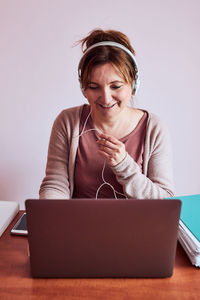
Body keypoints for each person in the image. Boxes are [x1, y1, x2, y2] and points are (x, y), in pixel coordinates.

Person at [39, 29, 174, 200]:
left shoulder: (154, 128)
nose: (106, 98)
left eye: (116, 86)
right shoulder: (67, 121)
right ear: (83, 88)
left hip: (135, 226)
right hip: (79, 224)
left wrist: (124, 165)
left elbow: (164, 200)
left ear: (133, 84)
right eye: (94, 87)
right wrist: (51, 215)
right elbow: (55, 184)